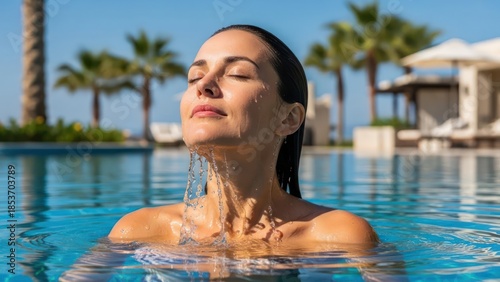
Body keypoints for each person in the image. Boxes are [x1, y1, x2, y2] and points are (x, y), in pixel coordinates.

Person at [108, 24, 378, 247]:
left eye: (237, 73)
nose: (204, 85)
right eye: (194, 77)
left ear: (288, 118)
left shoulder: (339, 236)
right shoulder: (138, 230)